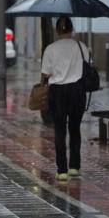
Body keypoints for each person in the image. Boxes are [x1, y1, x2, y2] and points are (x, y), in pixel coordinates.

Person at [41, 17, 88, 181]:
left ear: (57, 30)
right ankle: (74, 166)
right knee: (75, 128)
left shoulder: (50, 49)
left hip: (57, 92)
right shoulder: (81, 47)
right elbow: (86, 66)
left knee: (59, 129)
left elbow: (46, 74)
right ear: (72, 29)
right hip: (77, 90)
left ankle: (62, 170)